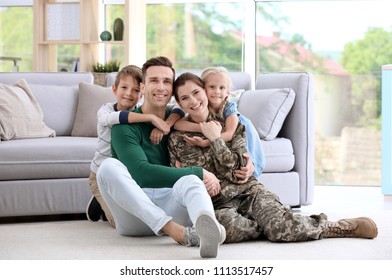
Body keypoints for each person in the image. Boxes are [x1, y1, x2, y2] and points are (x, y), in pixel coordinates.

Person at [168, 72, 378, 244]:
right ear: (179, 103)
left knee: (283, 231)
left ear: (205, 91)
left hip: (248, 191)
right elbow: (180, 177)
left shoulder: (232, 124)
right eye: (185, 98)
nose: (193, 101)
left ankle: (337, 226)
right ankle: (271, 223)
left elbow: (236, 168)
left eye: (196, 92)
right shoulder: (177, 138)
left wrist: (215, 139)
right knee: (223, 231)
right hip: (220, 203)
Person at [96, 56, 227, 258]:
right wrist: (201, 172)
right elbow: (141, 174)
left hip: (172, 204)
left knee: (191, 181)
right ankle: (173, 230)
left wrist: (250, 159)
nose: (161, 87)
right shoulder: (123, 127)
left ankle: (207, 226)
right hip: (134, 215)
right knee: (108, 167)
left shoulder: (178, 118)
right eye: (154, 81)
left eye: (166, 82)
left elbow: (232, 124)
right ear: (142, 86)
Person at [87, 64, 181, 228]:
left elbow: (179, 109)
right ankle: (99, 201)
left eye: (136, 90)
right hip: (101, 175)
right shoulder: (106, 110)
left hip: (125, 175)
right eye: (124, 87)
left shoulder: (139, 111)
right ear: (114, 88)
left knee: (140, 212)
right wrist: (151, 118)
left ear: (142, 92)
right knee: (121, 222)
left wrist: (165, 124)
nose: (129, 93)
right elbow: (115, 118)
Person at [174, 66, 265, 178]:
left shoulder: (229, 108)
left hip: (243, 129)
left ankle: (252, 173)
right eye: (212, 87)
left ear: (227, 92)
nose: (217, 92)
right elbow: (178, 124)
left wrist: (206, 141)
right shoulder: (201, 105)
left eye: (222, 88)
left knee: (248, 160)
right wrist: (205, 128)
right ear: (204, 88)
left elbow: (230, 134)